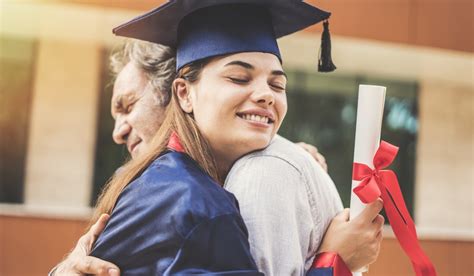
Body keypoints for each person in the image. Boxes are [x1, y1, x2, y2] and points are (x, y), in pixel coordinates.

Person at [52, 1, 384, 274]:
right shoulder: (201, 207)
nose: (266, 95)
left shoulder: (164, 184)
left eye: (278, 85)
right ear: (184, 94)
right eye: (239, 78)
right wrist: (334, 261)